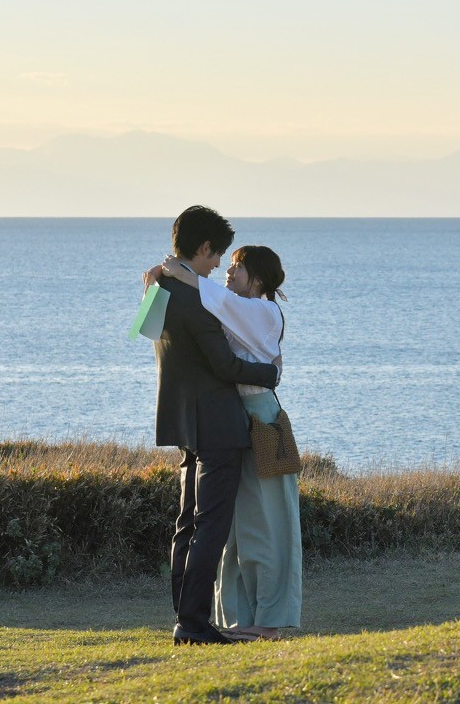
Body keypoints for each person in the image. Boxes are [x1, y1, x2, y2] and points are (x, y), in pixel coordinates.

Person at [146, 245, 300, 642]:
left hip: (259, 418)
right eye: (227, 267)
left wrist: (186, 276)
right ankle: (239, 616)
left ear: (259, 278)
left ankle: (268, 620)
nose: (228, 274)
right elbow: (187, 316)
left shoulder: (263, 311)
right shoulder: (233, 306)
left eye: (238, 268)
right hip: (234, 418)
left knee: (266, 521)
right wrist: (156, 284)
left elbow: (212, 301)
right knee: (237, 526)